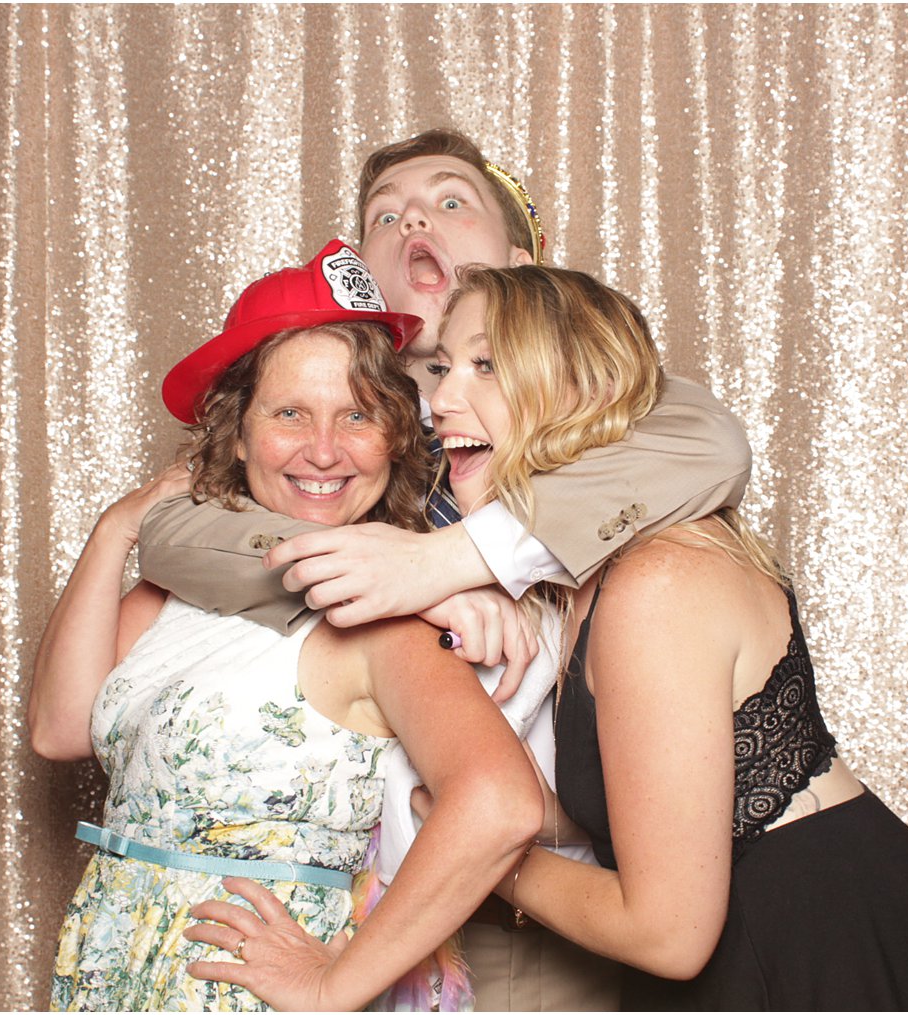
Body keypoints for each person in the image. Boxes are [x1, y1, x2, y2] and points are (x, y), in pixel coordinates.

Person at [201, 264, 908, 1010]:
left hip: (832, 957)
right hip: (752, 956)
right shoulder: (577, 575)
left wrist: (489, 857)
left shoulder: (655, 580)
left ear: (581, 393)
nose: (444, 397)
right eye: (445, 366)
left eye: (486, 363)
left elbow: (668, 930)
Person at [139, 129, 741, 1011]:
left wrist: (453, 559)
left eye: (452, 200)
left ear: (522, 260)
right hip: (354, 897)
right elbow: (173, 528)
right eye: (385, 217)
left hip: (538, 910)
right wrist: (412, 594)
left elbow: (712, 442)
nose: (414, 216)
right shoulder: (338, 429)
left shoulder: (605, 399)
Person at [29, 240, 542, 1011]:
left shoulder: (384, 625)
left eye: (358, 415)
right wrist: (114, 530)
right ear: (237, 433)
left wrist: (336, 981)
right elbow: (61, 728)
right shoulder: (173, 594)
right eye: (291, 413)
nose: (325, 450)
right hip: (115, 971)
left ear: (397, 435)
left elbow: (501, 804)